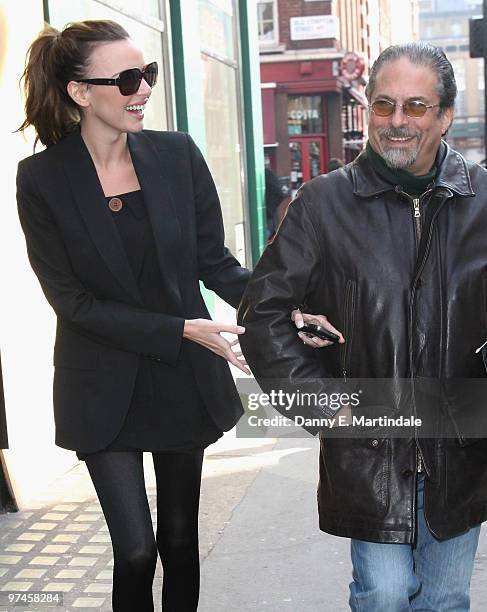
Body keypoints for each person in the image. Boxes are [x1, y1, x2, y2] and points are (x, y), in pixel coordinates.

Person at [238, 42, 487, 611]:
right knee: (384, 594)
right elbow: (262, 315)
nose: (397, 121)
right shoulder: (323, 204)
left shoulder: (482, 201)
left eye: (416, 106)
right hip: (371, 447)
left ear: (445, 115)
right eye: (384, 104)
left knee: (446, 599)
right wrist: (321, 402)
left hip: (462, 445)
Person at [15, 20, 253, 612]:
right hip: (101, 383)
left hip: (180, 378)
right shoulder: (41, 179)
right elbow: (71, 301)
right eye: (125, 79)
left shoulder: (176, 155)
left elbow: (213, 261)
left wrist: (286, 306)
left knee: (178, 542)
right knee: (137, 550)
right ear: (79, 92)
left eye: (147, 74)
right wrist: (179, 329)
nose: (142, 89)